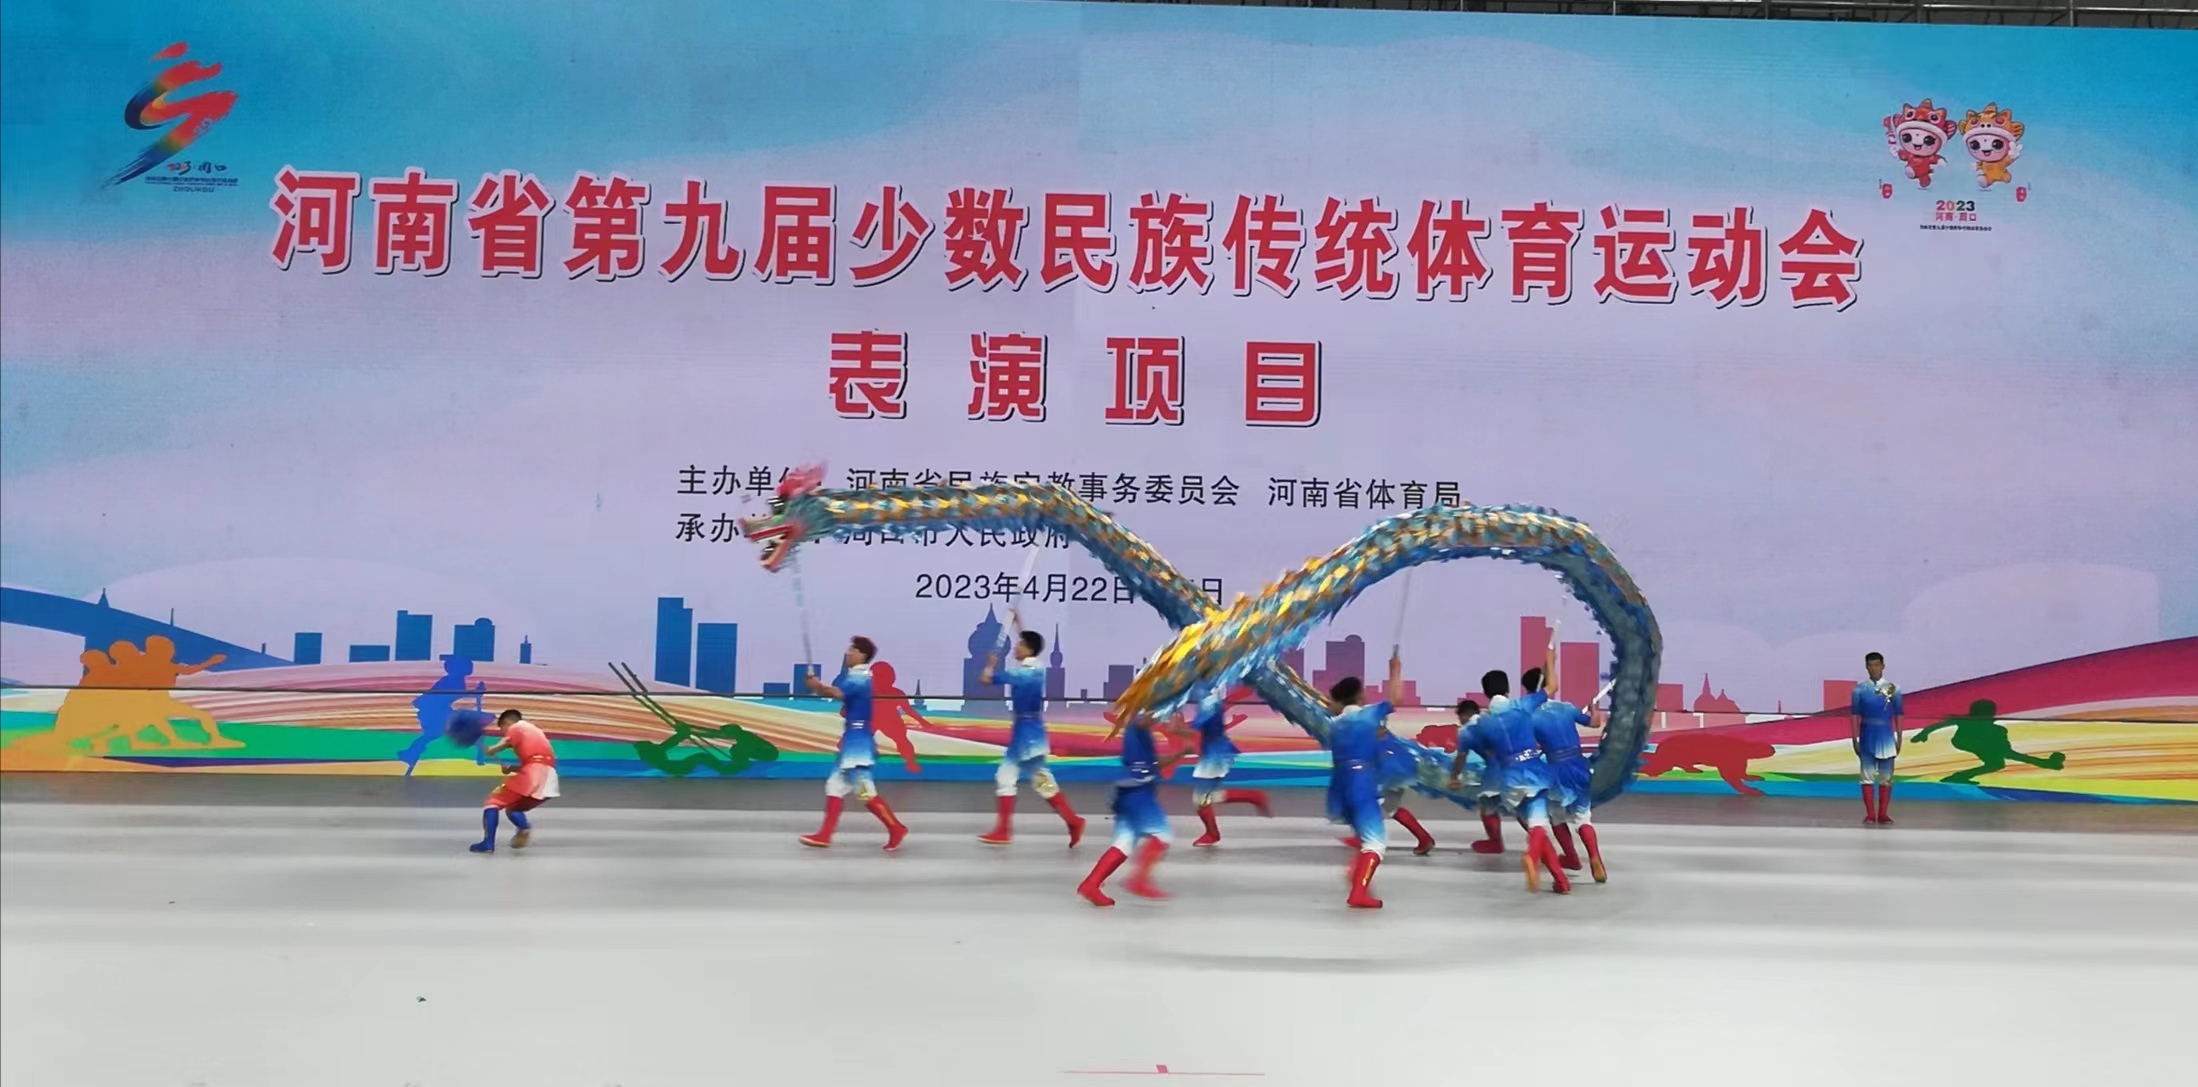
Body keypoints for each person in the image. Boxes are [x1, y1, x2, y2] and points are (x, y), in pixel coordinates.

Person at [976, 625, 1085, 846]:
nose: (1015, 648)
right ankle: (1072, 821)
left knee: (1013, 778)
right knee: (1035, 779)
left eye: (1019, 645)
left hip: (1025, 735)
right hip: (1031, 731)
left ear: (1028, 649)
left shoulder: (1020, 674)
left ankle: (1005, 831)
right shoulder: (1039, 668)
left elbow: (985, 680)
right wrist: (1019, 624)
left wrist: (990, 664)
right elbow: (1030, 644)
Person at [800, 637, 909, 851]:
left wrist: (817, 685)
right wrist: (818, 687)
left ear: (862, 655)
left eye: (853, 650)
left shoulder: (859, 677)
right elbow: (837, 694)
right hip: (853, 738)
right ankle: (824, 836)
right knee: (834, 786)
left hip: (857, 742)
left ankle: (896, 827)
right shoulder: (856, 676)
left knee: (864, 791)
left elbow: (837, 693)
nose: (848, 653)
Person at [1077, 713, 1189, 906]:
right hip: (1138, 792)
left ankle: (1091, 884)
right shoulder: (1138, 720)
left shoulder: (1141, 732)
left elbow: (1153, 764)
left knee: (1124, 843)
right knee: (1162, 835)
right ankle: (1139, 881)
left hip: (1129, 792)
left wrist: (1180, 753)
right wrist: (1167, 716)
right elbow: (1144, 720)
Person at [1477, 669, 1569, 894]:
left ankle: (1561, 880)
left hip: (1509, 779)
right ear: (1508, 689)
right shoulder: (1522, 706)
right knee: (1539, 825)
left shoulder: (1484, 722)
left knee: (1534, 827)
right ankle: (1532, 856)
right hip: (1533, 772)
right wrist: (1550, 660)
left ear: (1485, 693)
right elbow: (1552, 686)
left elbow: (1490, 752)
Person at [1326, 652, 1406, 909]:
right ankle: (1358, 892)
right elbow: (1395, 699)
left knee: (1363, 834)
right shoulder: (1369, 715)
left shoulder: (1334, 724)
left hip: (1340, 785)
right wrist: (1395, 669)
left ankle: (1356, 871)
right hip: (1362, 783)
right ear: (1360, 695)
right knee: (1375, 843)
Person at [1529, 670, 1608, 883]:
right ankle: (1595, 857)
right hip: (1579, 765)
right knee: (1583, 818)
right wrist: (1595, 711)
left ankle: (1571, 857)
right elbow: (1595, 723)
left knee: (1556, 817)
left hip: (1556, 770)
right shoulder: (1566, 707)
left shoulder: (1530, 717)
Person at [471, 709, 558, 854]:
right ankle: (523, 829)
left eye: (503, 729)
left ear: (507, 723)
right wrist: (511, 768)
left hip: (533, 774)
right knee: (513, 808)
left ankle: (488, 843)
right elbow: (536, 764)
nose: (504, 733)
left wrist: (492, 749)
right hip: (548, 778)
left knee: (492, 802)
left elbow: (506, 742)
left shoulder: (518, 726)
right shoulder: (536, 732)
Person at [1189, 692, 1269, 847]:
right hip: (1216, 751)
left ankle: (1213, 834)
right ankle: (1252, 797)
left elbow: (1197, 728)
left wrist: (1175, 729)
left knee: (1200, 800)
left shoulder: (1209, 701)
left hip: (1214, 755)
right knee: (1202, 799)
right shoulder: (1209, 697)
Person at [1449, 694, 1509, 854]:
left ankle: (1495, 842)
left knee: (1487, 806)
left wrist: (1454, 777)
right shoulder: (1492, 720)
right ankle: (1541, 841)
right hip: (1515, 765)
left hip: (1495, 770)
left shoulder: (1465, 731)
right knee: (1523, 808)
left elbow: (1461, 757)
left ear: (1463, 715)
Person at [1849, 651, 1904, 825]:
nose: (1874, 668)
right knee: (1866, 776)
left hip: (1886, 737)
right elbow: (1855, 715)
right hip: (1866, 737)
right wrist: (1854, 738)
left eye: (1877, 665)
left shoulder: (1893, 689)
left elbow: (1899, 714)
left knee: (1886, 778)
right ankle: (1870, 815)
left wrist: (1899, 737)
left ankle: (1883, 814)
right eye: (1870, 665)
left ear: (1883, 666)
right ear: (1866, 667)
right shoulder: (1859, 690)